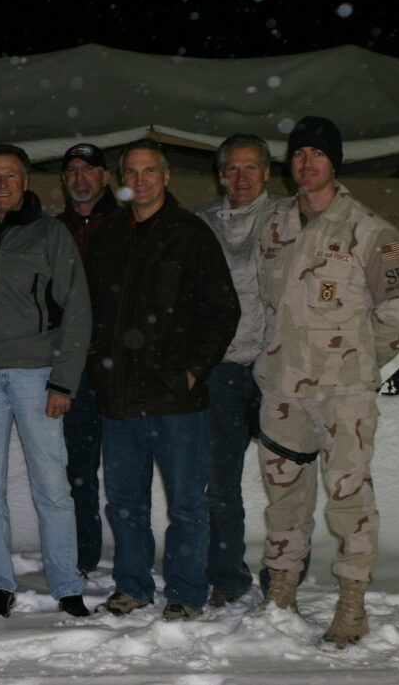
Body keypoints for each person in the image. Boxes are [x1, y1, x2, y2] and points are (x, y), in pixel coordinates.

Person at [254, 115, 399, 647]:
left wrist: (362, 366)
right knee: (284, 497)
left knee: (348, 497)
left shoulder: (368, 230)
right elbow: (266, 302)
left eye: (317, 154)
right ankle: (281, 591)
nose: (307, 163)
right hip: (283, 391)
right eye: (299, 154)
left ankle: (352, 604)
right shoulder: (275, 225)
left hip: (343, 393)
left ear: (334, 162)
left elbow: (398, 310)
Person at [86, 138, 239, 621]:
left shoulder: (191, 234)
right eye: (131, 172)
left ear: (166, 176)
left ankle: (186, 592)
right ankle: (132, 586)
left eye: (149, 171)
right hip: (120, 398)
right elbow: (87, 310)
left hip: (177, 399)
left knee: (188, 505)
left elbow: (222, 310)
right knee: (125, 502)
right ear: (120, 180)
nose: (140, 180)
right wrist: (96, 362)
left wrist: (193, 370)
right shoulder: (109, 234)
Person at [0, 143, 91, 618]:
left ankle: (66, 584)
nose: (2, 185)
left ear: (26, 181)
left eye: (11, 176)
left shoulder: (50, 233)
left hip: (36, 374)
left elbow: (77, 309)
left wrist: (64, 382)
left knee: (51, 483)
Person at [192, 134, 284, 607]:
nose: (241, 177)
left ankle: (284, 580)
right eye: (232, 169)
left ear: (267, 173)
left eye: (251, 168)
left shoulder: (290, 218)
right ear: (220, 173)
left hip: (278, 367)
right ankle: (227, 576)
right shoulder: (200, 223)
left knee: (287, 481)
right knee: (219, 480)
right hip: (223, 369)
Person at [54, 142, 118, 578]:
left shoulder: (129, 223)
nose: (80, 177)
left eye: (89, 169)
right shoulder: (52, 230)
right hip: (74, 368)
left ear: (106, 178)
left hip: (123, 368)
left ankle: (131, 560)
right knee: (79, 470)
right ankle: (83, 556)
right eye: (73, 170)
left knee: (125, 470)